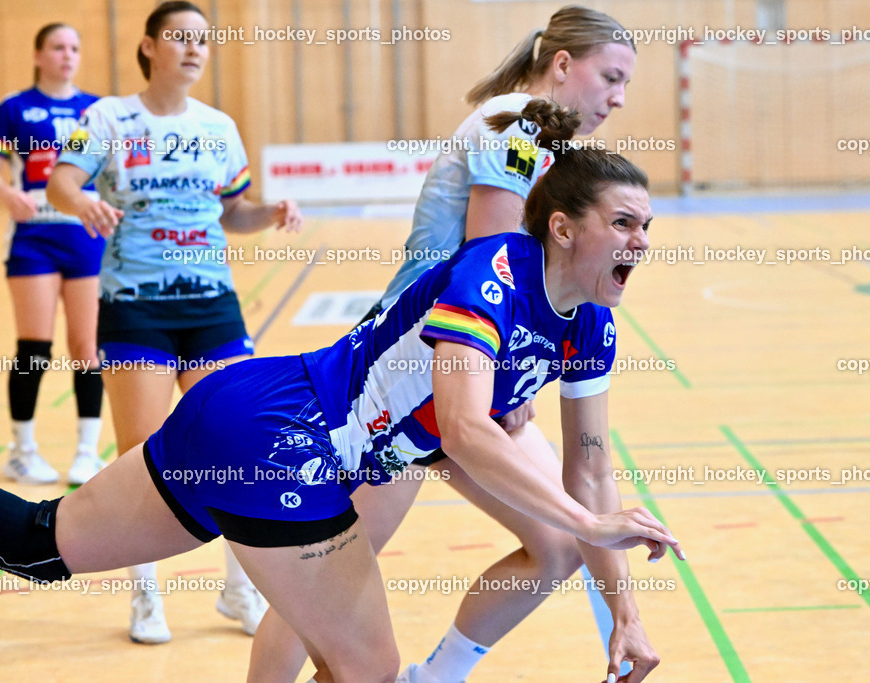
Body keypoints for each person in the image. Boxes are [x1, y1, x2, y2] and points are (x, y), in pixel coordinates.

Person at [0, 146, 685, 683]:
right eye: (624, 223)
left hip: (245, 406)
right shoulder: (496, 271)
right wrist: (588, 526)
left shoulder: (591, 327)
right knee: (371, 671)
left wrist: (625, 612)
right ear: (562, 226)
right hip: (290, 441)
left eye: (646, 225)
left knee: (42, 545)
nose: (641, 241)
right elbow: (469, 428)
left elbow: (590, 469)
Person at [249, 6, 644, 682]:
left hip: (471, 363)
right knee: (331, 571)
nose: (619, 97)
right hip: (412, 366)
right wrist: (499, 373)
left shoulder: (552, 145)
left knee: (556, 544)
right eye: (609, 77)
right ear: (561, 66)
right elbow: (491, 258)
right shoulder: (520, 123)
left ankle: (433, 678)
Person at [45, 1, 302, 645]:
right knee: (142, 457)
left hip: (213, 307)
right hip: (137, 308)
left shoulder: (219, 126)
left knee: (240, 449)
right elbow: (59, 181)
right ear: (150, 47)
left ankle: (238, 591)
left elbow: (233, 211)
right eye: (180, 39)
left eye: (203, 41)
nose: (194, 49)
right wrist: (81, 200)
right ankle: (146, 594)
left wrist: (267, 212)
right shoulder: (105, 117)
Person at [0, 23, 105, 486]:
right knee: (34, 347)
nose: (67, 55)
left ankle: (87, 453)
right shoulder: (15, 108)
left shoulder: (96, 110)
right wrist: (8, 193)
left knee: (88, 347)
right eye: (57, 47)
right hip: (33, 239)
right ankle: (22, 450)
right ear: (38, 54)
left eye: (74, 47)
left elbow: (112, 171)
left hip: (86, 239)